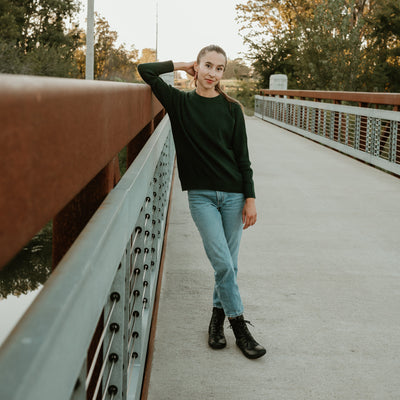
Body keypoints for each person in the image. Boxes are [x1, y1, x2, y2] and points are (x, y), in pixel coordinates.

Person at [138, 45, 266, 359]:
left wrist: (250, 198)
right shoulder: (179, 103)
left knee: (229, 265)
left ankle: (215, 321)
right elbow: (145, 71)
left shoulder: (232, 108)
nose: (212, 73)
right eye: (207, 66)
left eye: (219, 68)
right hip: (202, 197)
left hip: (234, 196)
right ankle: (241, 330)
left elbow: (243, 159)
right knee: (223, 262)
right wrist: (182, 64)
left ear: (224, 73)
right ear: (198, 67)